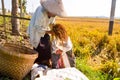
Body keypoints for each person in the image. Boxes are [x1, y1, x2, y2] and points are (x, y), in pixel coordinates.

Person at [27, 0, 67, 66]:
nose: (55, 15)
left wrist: (55, 29)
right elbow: (37, 27)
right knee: (38, 47)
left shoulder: (53, 15)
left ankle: (46, 61)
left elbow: (52, 23)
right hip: (35, 30)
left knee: (47, 43)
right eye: (54, 13)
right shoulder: (41, 12)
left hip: (44, 30)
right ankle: (37, 63)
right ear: (50, 10)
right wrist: (49, 32)